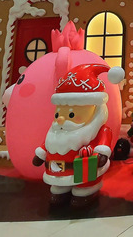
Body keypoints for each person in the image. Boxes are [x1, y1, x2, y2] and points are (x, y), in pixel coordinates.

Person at [33, 63, 121, 207]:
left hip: (84, 170)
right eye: (58, 114)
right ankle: (61, 190)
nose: (61, 119)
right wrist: (41, 154)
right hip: (57, 169)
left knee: (83, 188)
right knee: (58, 189)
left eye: (72, 114)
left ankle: (86, 191)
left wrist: (101, 155)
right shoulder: (56, 131)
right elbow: (47, 143)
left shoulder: (99, 130)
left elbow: (103, 145)